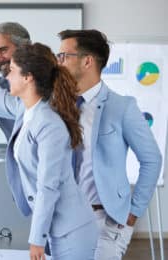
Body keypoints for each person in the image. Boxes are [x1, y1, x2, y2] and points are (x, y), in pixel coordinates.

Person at [0, 42, 98, 259]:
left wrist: (36, 241)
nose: (7, 77)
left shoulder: (48, 123)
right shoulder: (27, 111)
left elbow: (48, 187)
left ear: (28, 77)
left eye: (13, 71)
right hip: (59, 228)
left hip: (73, 232)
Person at [57, 29, 162, 259]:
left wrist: (133, 213)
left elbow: (152, 159)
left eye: (64, 56)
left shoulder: (122, 107)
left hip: (105, 222)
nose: (59, 62)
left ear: (87, 61)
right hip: (64, 220)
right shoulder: (58, 107)